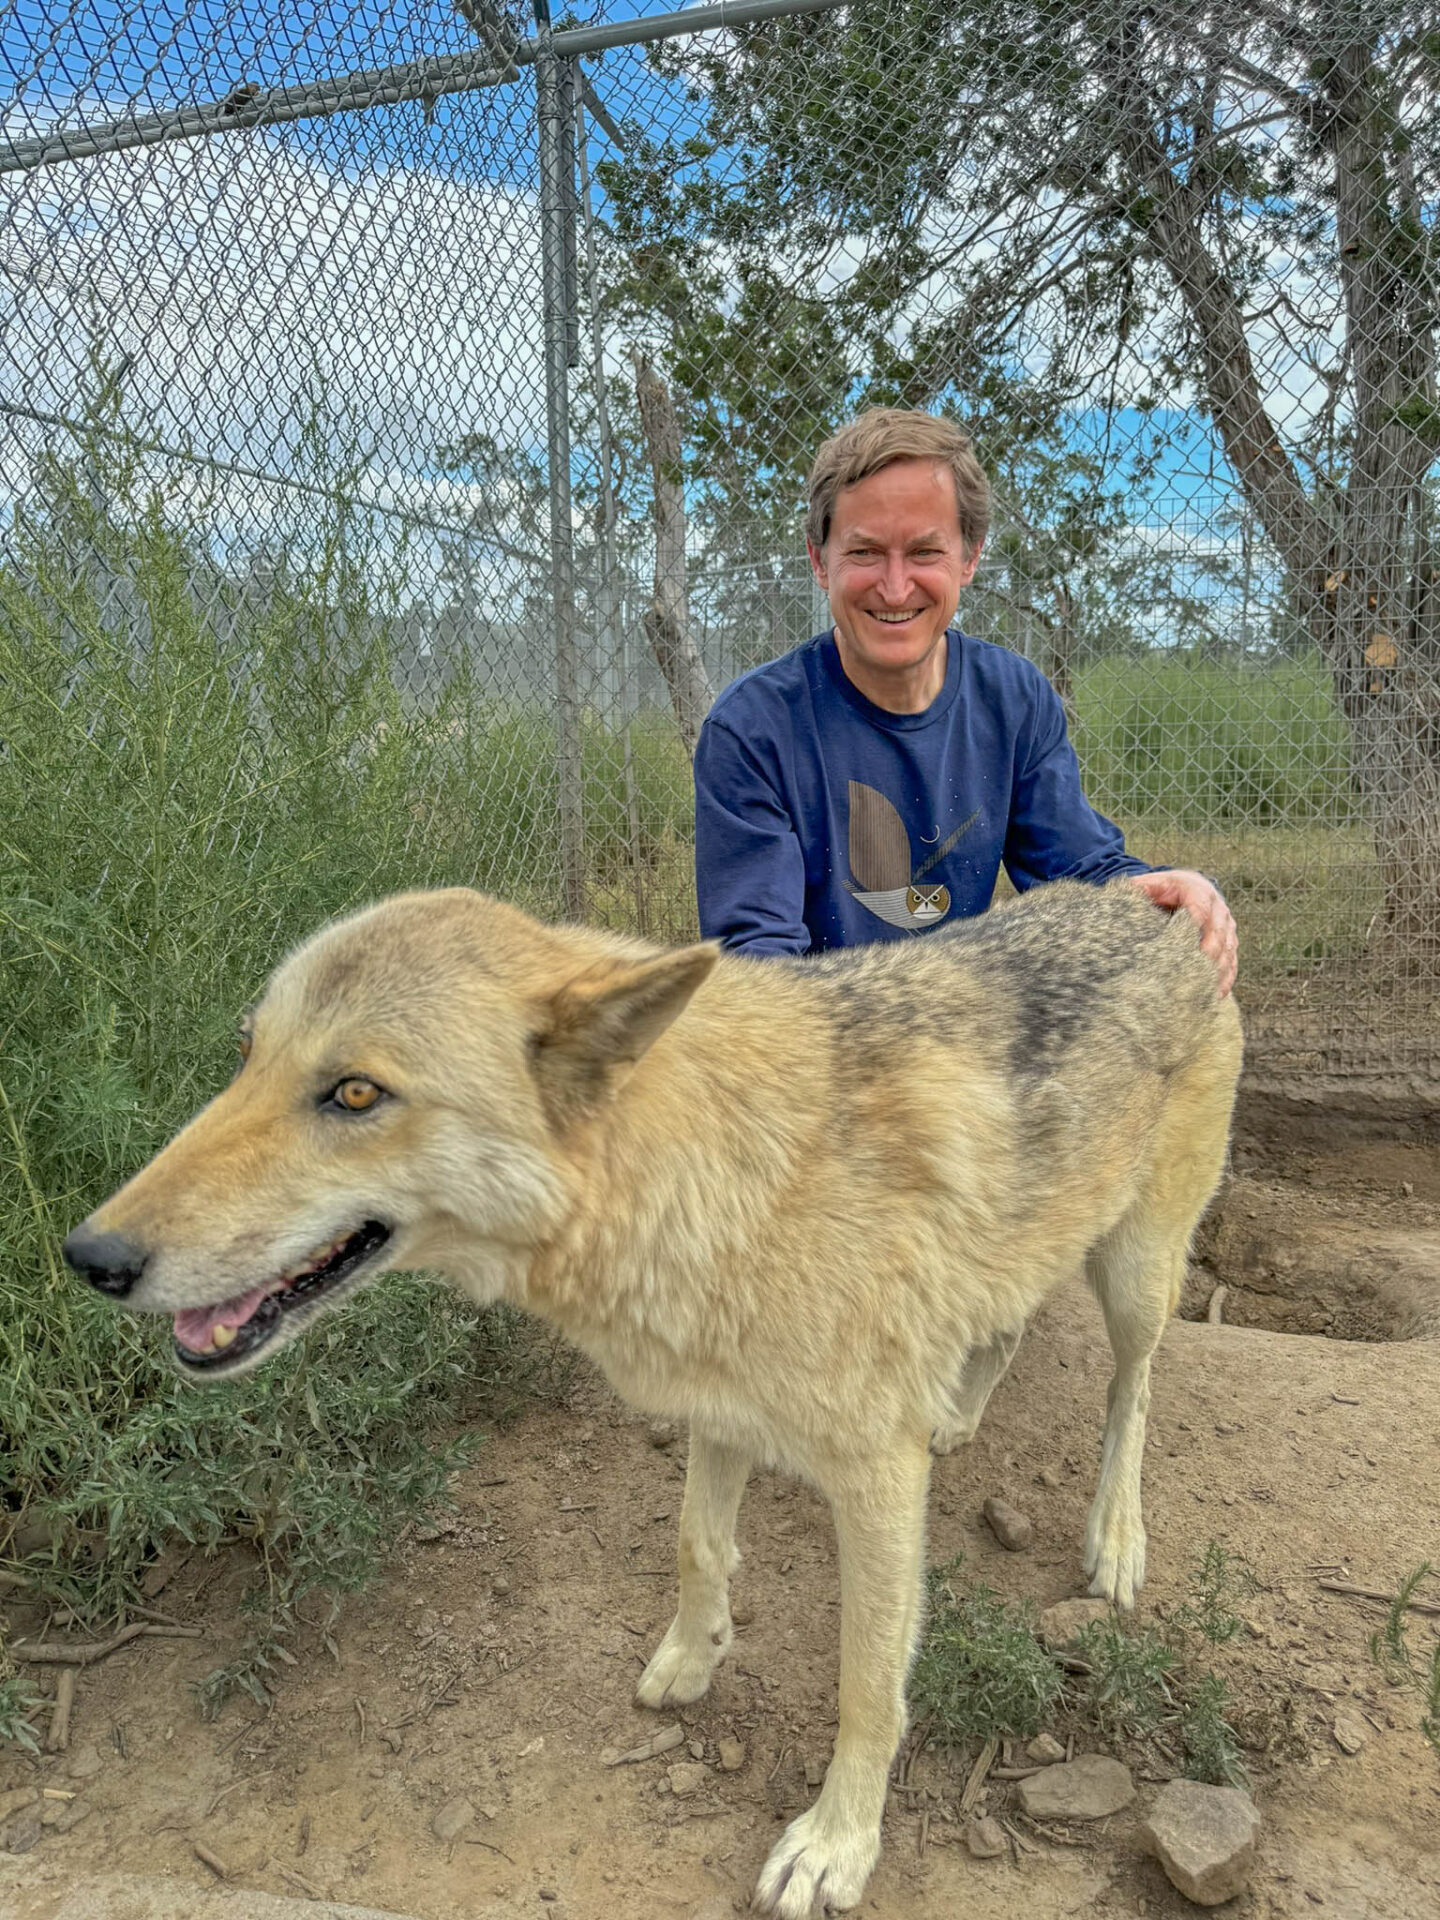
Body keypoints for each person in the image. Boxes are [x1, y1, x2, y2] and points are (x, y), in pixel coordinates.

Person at [693, 408, 1238, 993]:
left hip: (963, 1038)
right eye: (865, 552)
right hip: (821, 1050)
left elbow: (1079, 872)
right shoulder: (752, 731)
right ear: (819, 559)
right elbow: (758, 967)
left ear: (970, 558)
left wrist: (1164, 887)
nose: (896, 587)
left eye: (925, 552)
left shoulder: (1013, 698)